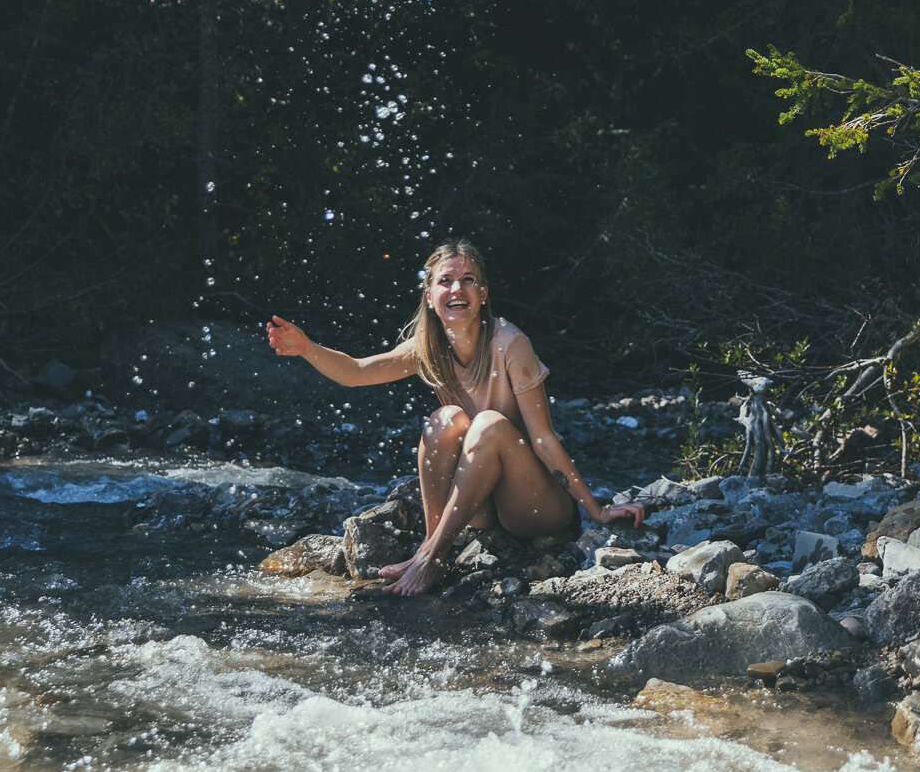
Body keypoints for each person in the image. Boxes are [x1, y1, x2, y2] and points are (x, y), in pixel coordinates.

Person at [266, 239, 643, 595]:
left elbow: (543, 438)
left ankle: (431, 556)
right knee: (443, 419)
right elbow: (358, 371)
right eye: (445, 281)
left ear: (483, 294)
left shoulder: (510, 343)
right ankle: (431, 547)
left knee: (489, 424)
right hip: (478, 507)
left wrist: (597, 510)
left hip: (533, 509)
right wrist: (306, 348)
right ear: (429, 296)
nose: (456, 289)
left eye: (468, 280)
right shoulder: (427, 347)